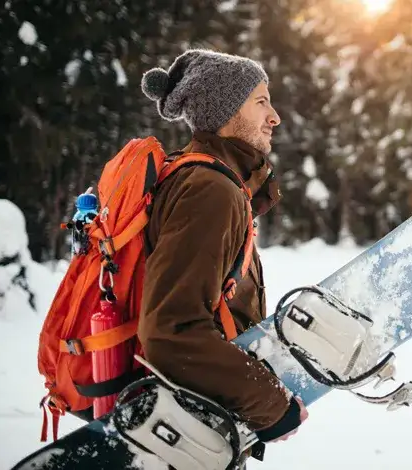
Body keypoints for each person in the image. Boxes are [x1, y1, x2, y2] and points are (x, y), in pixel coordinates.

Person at [137, 49, 308, 443]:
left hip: (197, 410)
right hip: (181, 425)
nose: (274, 117)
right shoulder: (210, 189)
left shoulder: (205, 178)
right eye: (261, 102)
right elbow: (172, 332)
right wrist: (270, 405)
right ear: (226, 110)